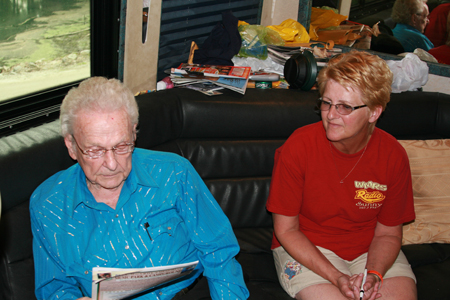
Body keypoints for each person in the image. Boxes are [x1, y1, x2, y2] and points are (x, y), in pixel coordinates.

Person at [30, 77, 249, 300]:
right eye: (95, 150)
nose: (112, 164)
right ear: (71, 146)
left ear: (134, 133)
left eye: (122, 146)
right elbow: (54, 288)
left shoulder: (174, 174)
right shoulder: (48, 205)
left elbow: (219, 253)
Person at [266, 50, 417, 300]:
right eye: (326, 103)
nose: (331, 115)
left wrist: (375, 274)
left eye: (345, 106)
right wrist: (337, 276)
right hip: (308, 249)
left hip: (370, 251)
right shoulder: (298, 146)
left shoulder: (393, 155)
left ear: (373, 112)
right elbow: (287, 231)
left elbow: (388, 233)